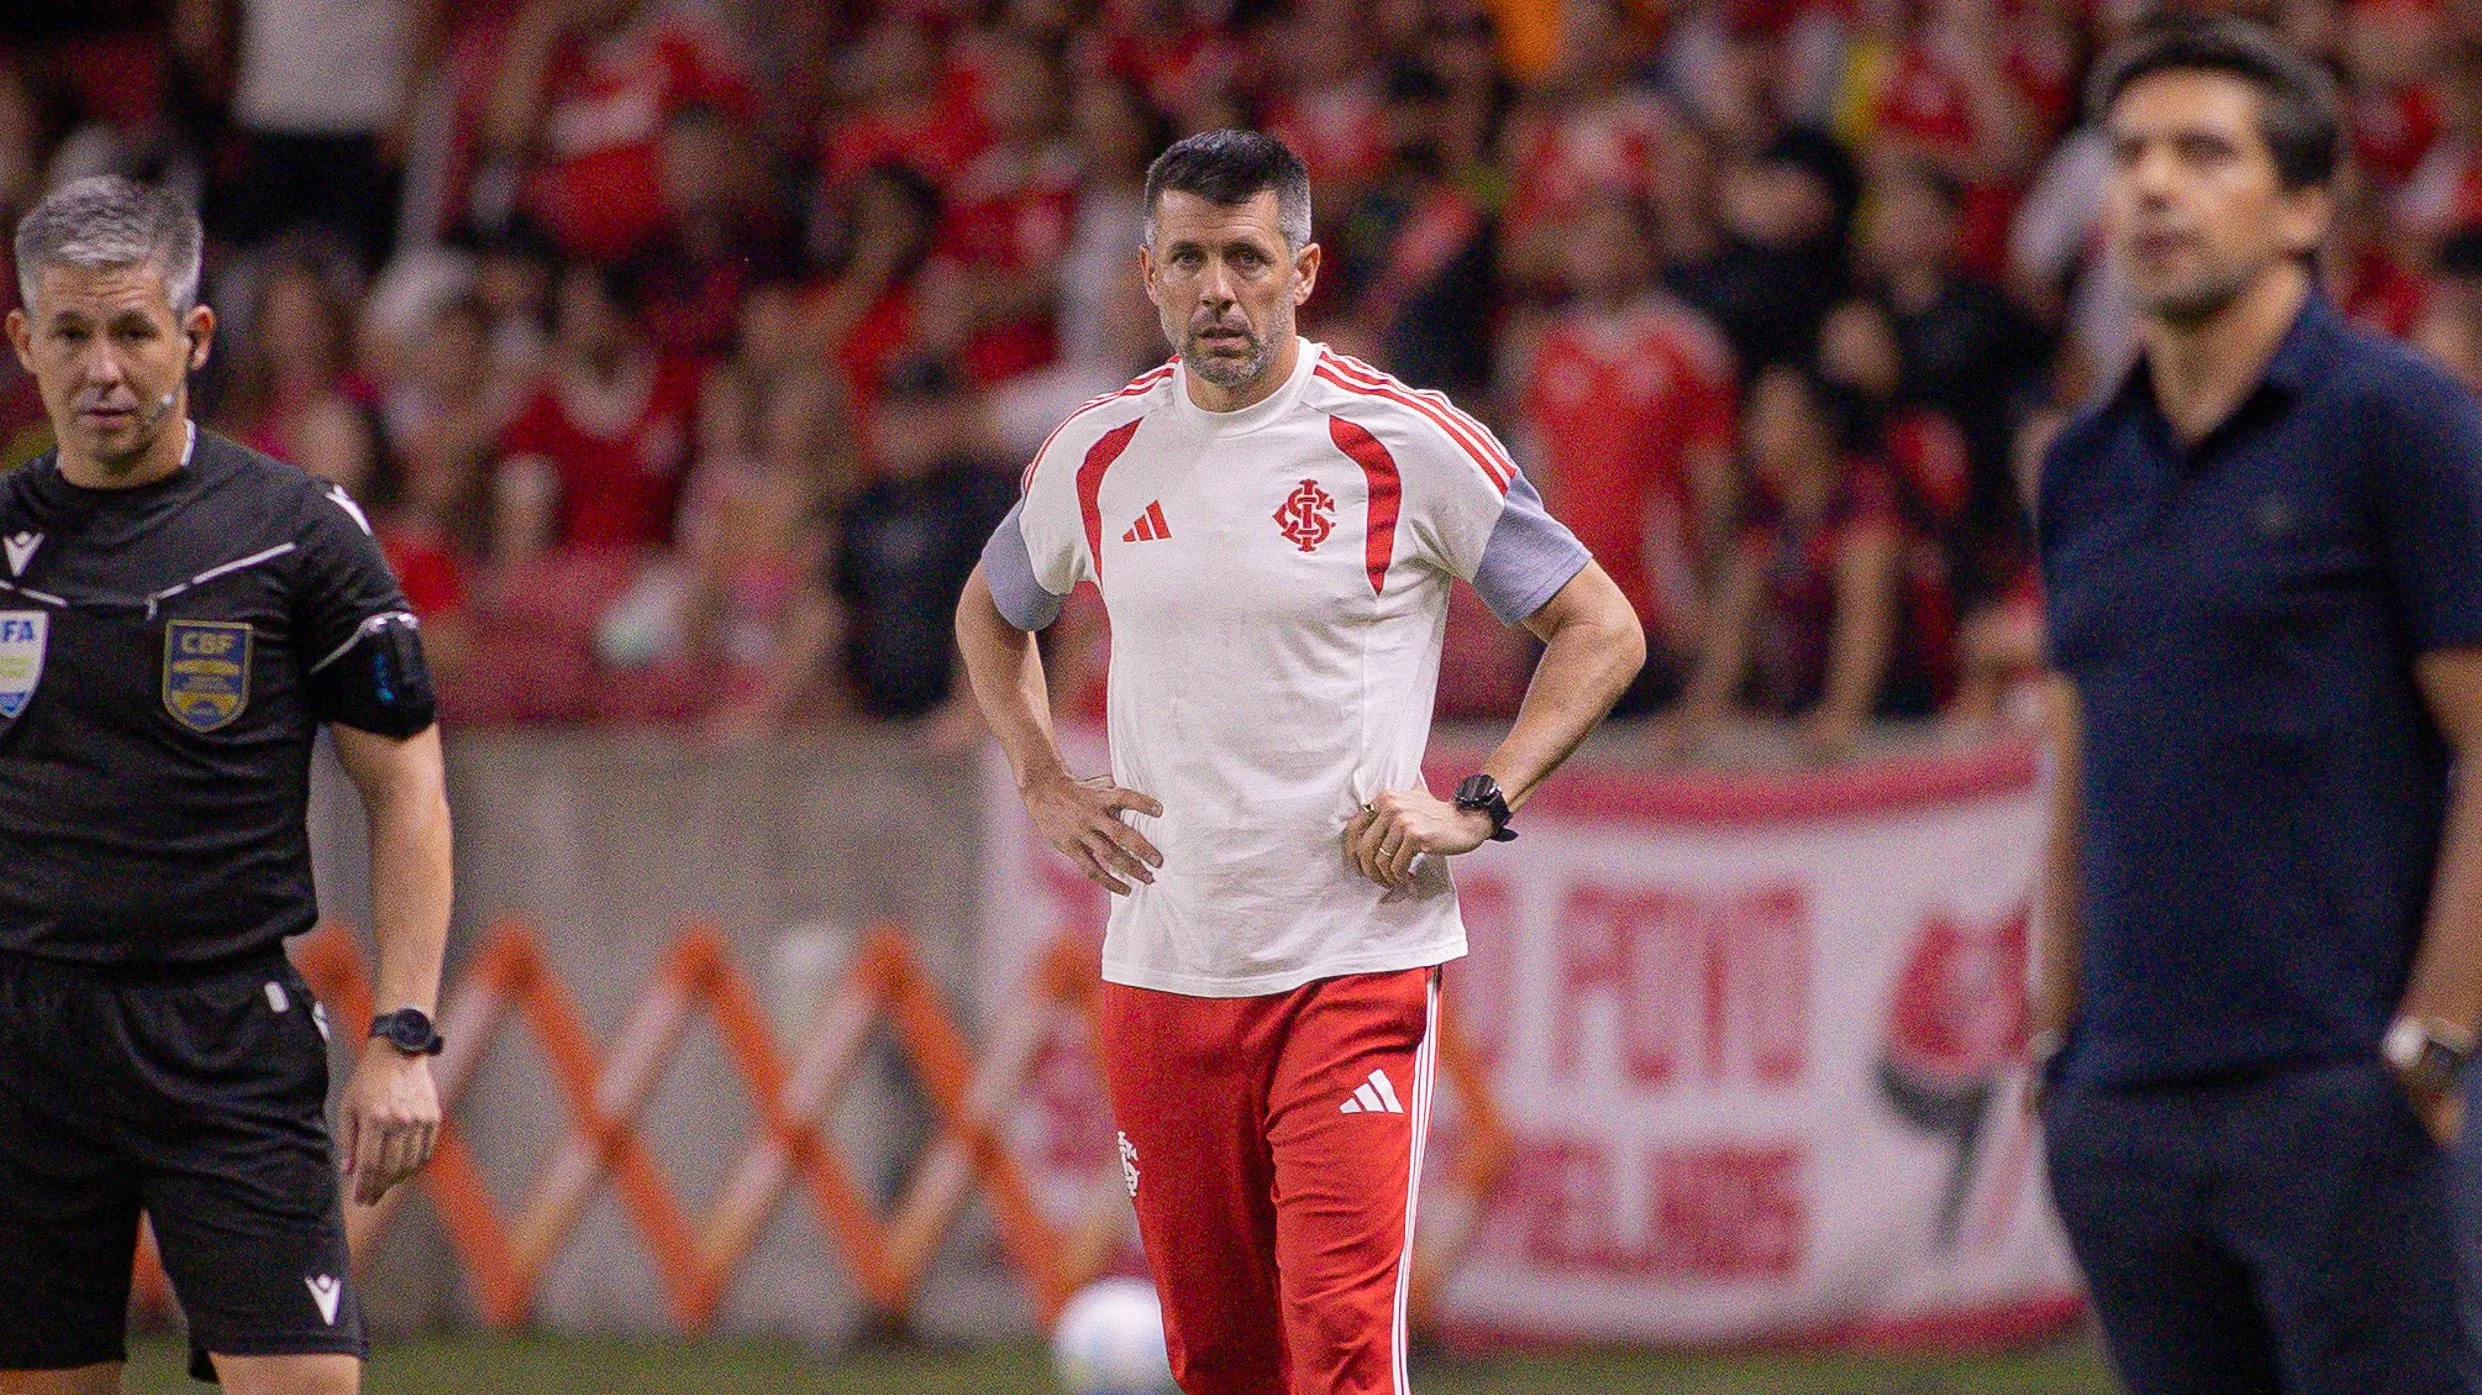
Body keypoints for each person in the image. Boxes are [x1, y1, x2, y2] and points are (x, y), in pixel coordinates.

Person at [954, 131, 1642, 1395]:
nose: (1220, 290)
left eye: (1249, 259)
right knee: (1220, 1362)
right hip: (1163, 970)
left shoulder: (1405, 442)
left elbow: (1599, 626)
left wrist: (1479, 804)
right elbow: (992, 613)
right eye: (1192, 260)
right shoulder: (1094, 457)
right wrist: (1043, 778)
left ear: (1304, 270)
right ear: (1151, 275)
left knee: (1337, 1347)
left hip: (1353, 966)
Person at [2032, 21, 2482, 1394]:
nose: (2153, 187)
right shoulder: (2082, 465)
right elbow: (2073, 755)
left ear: (2304, 206)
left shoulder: (2397, 422)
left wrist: (2432, 1039)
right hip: (2127, 1107)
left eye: (2202, 153)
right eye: (2129, 157)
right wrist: (2059, 1047)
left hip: (2342, 1094)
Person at [0, 176, 452, 1394]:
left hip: (217, 1031)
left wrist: (403, 1034)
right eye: (73, 333)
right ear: (24, 340)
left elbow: (407, 785)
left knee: (302, 1385)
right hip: (21, 1035)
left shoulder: (296, 533)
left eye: (134, 331)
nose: (102, 368)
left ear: (193, 338)